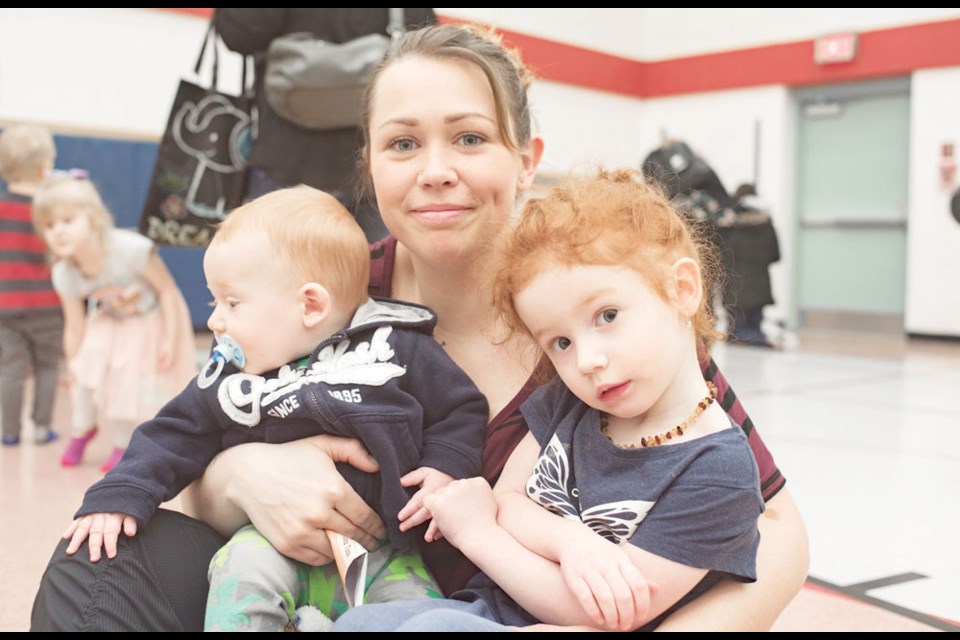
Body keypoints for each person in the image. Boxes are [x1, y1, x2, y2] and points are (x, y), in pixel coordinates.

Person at [31, 23, 809, 632]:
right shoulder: (322, 294)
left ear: (526, 159)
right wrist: (242, 478)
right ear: (372, 166)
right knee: (97, 560)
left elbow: (777, 527)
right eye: (404, 144)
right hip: (322, 584)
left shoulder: (591, 308)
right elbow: (192, 436)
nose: (435, 168)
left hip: (520, 608)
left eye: (470, 138)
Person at [332, 168, 764, 632]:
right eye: (560, 342)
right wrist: (569, 540)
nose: (587, 360)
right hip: (491, 607)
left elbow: (603, 611)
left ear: (682, 289)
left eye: (607, 315)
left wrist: (477, 533)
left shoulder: (718, 469)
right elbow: (510, 498)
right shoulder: (570, 403)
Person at [60, 185, 488, 632]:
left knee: (425, 617)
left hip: (387, 553)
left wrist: (444, 467)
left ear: (310, 305)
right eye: (213, 301)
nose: (214, 320)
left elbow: (459, 410)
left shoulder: (397, 348)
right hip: (267, 543)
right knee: (240, 579)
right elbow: (171, 432)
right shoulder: (231, 379)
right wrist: (118, 497)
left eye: (231, 302)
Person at [213, 8, 438, 244]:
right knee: (379, 276)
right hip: (373, 168)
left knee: (270, 275)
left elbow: (239, 32)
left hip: (290, 161)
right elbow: (424, 51)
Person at [30, 174, 197, 472]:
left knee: (126, 380)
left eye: (67, 220)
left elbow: (168, 292)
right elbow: (74, 324)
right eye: (50, 225)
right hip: (109, 322)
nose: (58, 232)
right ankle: (83, 428)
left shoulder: (130, 250)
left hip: (149, 321)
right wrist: (73, 365)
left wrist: (171, 339)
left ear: (93, 219)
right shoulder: (65, 273)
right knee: (85, 369)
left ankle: (122, 442)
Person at [0, 124, 64, 446]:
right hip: (47, 305)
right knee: (48, 366)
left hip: (5, 306)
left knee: (10, 369)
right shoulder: (50, 212)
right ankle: (41, 428)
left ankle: (8, 432)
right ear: (44, 168)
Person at [718, 183, 781, 348]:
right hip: (759, 289)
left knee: (736, 334)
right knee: (753, 330)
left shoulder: (729, 225)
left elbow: (721, 256)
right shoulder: (766, 224)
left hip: (735, 290)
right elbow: (776, 255)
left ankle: (762, 340)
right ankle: (763, 340)